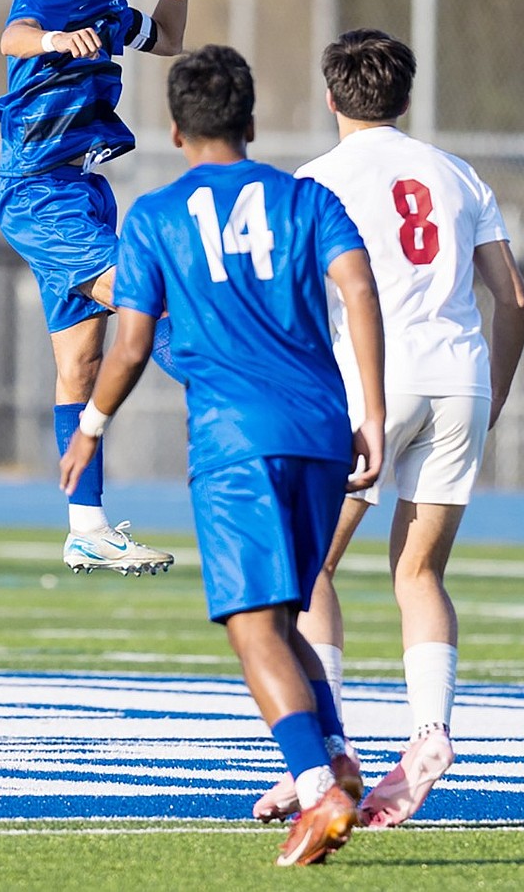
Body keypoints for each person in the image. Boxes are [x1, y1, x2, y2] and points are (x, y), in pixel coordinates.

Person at [60, 45, 386, 866]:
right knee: (284, 611)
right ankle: (339, 751)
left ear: (173, 129)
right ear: (249, 120)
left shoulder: (156, 217)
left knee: (251, 625)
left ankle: (316, 793)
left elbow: (131, 343)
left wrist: (92, 425)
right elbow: (359, 287)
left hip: (237, 442)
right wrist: (371, 411)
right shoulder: (309, 197)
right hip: (320, 429)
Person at [252, 29, 524, 827]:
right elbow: (513, 299)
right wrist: (491, 393)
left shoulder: (315, 181)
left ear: (332, 98)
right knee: (419, 573)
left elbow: (294, 308)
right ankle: (431, 730)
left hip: (370, 384)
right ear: (406, 98)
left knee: (310, 569)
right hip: (459, 380)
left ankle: (328, 753)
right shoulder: (456, 172)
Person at [0, 0, 190, 575]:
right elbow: (14, 34)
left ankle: (87, 528)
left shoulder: (109, 0)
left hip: (81, 192)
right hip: (40, 193)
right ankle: (233, 386)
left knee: (78, 365)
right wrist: (50, 41)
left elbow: (167, 39)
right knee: (150, 299)